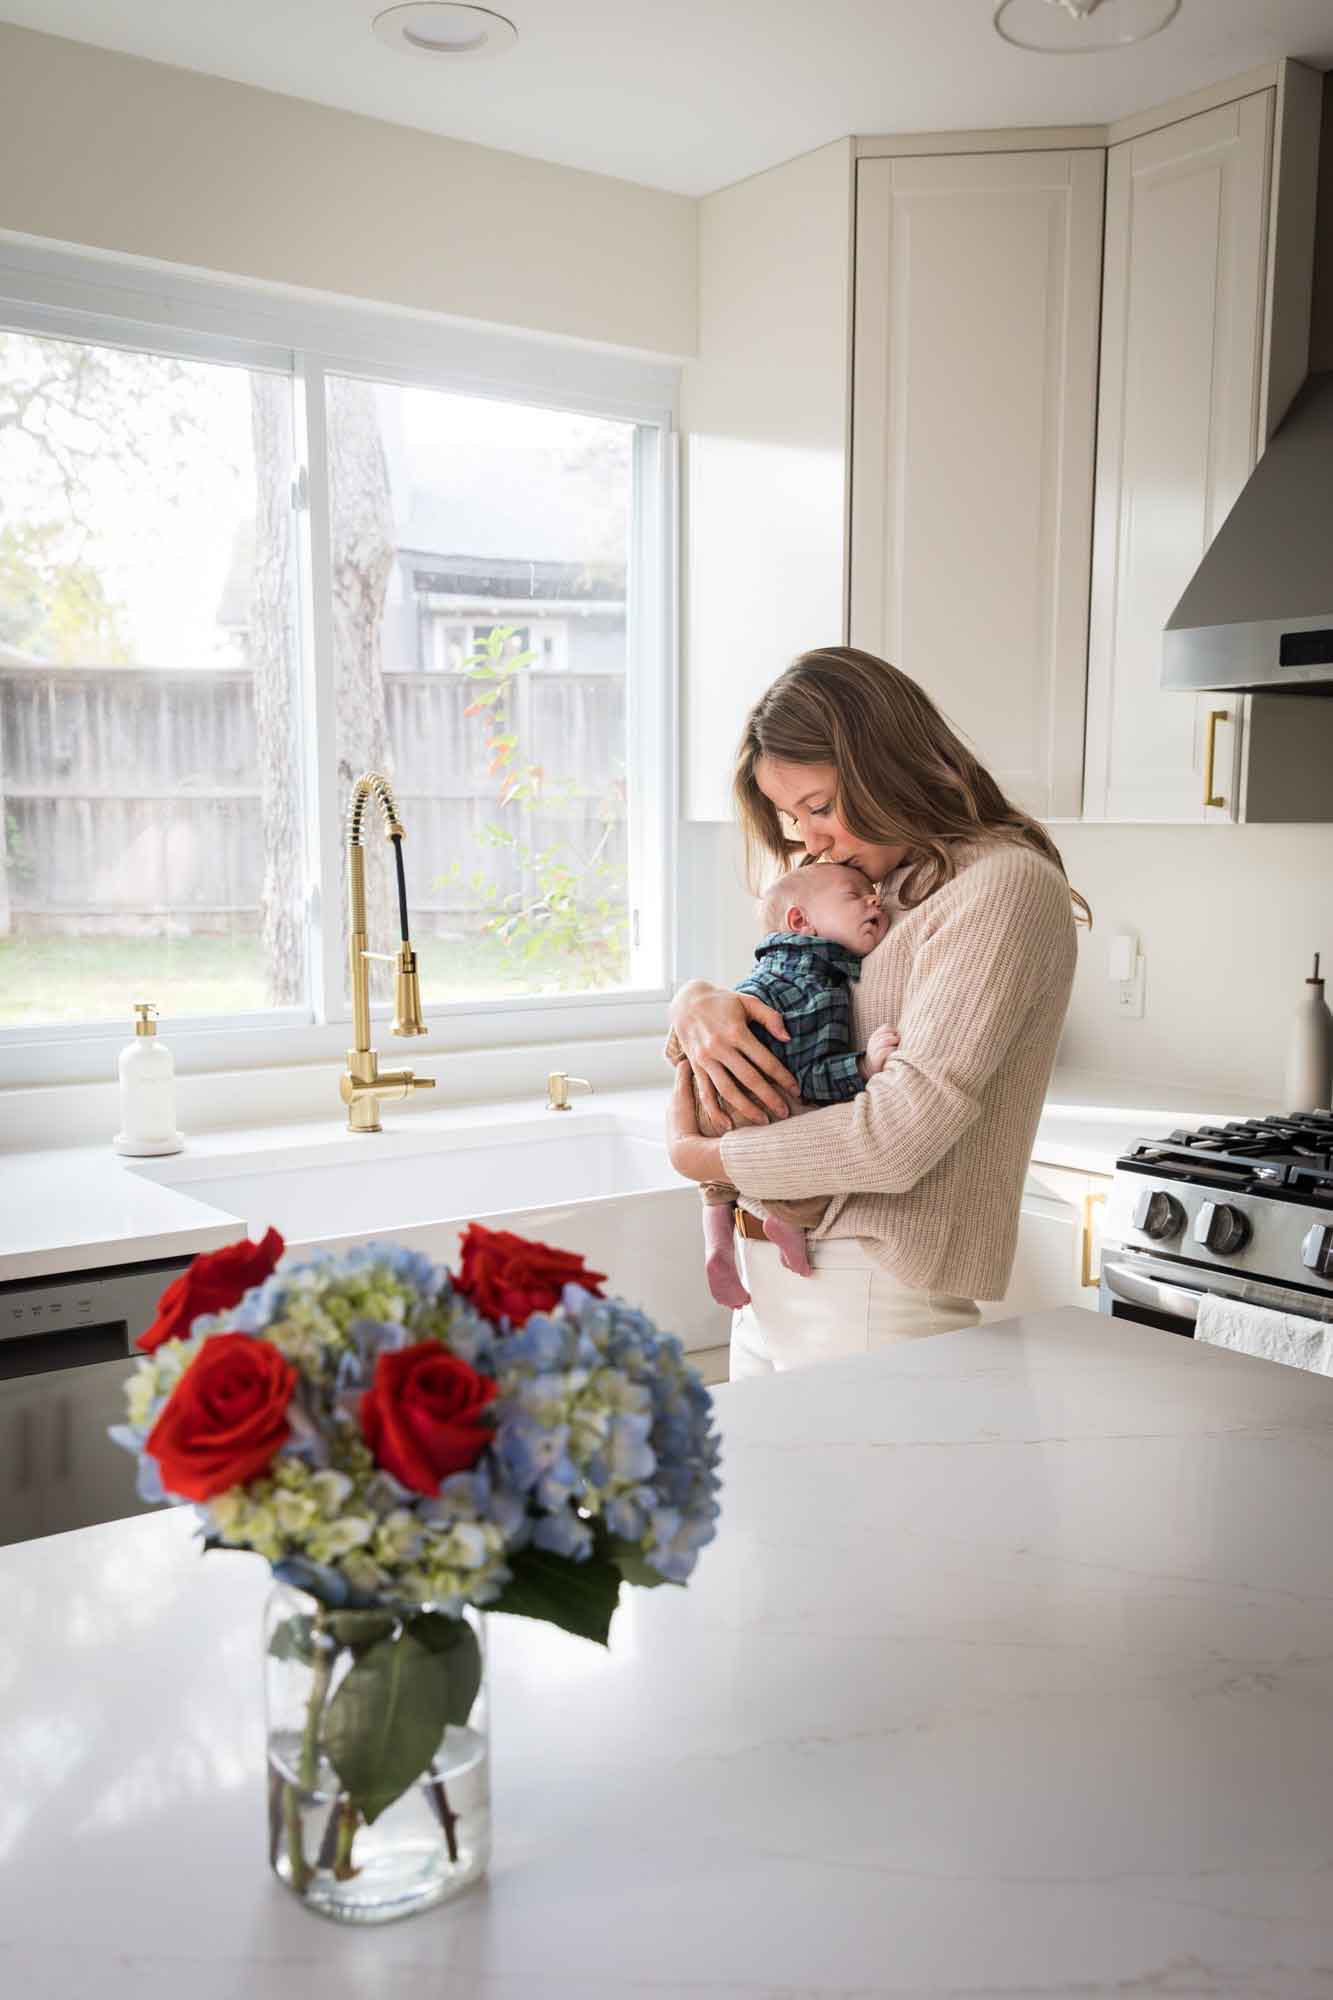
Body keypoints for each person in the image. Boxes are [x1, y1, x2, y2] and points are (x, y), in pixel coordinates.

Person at [666, 645, 1085, 1380]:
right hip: (769, 1284)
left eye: (820, 807)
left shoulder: (1001, 887)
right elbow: (777, 1007)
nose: (810, 839)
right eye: (792, 818)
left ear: (888, 764)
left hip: (869, 1291)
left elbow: (895, 1136)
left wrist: (702, 1158)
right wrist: (695, 1001)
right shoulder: (869, 885)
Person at [673, 859, 901, 1312]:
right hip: (754, 1100)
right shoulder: (819, 987)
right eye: (855, 895)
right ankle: (786, 1220)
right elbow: (807, 1075)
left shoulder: (767, 973)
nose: (874, 899)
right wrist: (862, 1065)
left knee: (716, 1183)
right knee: (804, 1154)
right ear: (801, 921)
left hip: (707, 1094)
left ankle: (717, 1245)